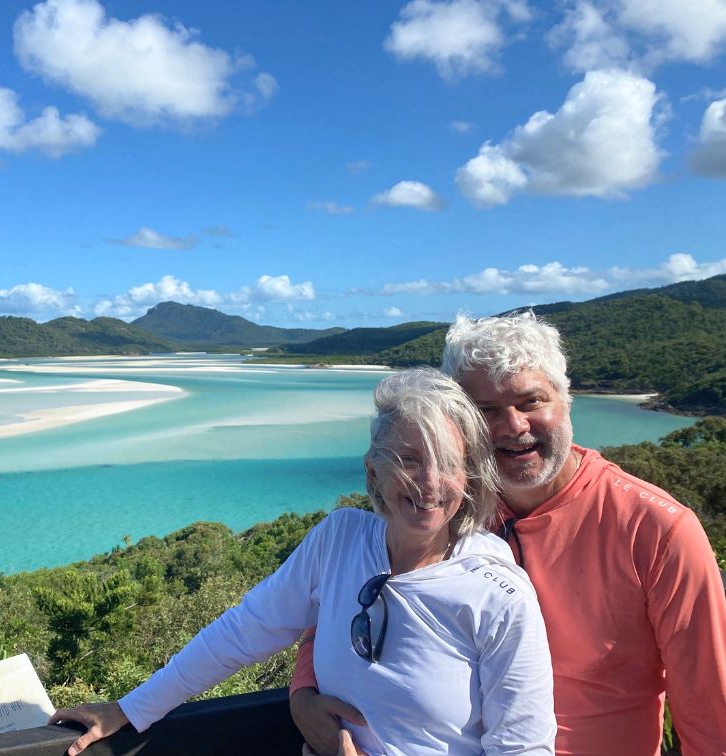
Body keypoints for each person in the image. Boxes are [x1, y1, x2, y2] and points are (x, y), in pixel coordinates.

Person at [50, 368, 556, 755]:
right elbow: (245, 631)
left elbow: (523, 746)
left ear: (468, 477)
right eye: (407, 459)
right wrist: (131, 708)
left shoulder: (497, 592)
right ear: (372, 472)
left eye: (448, 463)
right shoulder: (339, 540)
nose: (429, 483)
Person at [290, 312, 726, 756]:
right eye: (487, 410)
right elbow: (341, 595)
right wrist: (303, 693)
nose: (514, 426)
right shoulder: (442, 505)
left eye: (531, 401)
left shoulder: (656, 530)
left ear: (566, 401)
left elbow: (711, 715)